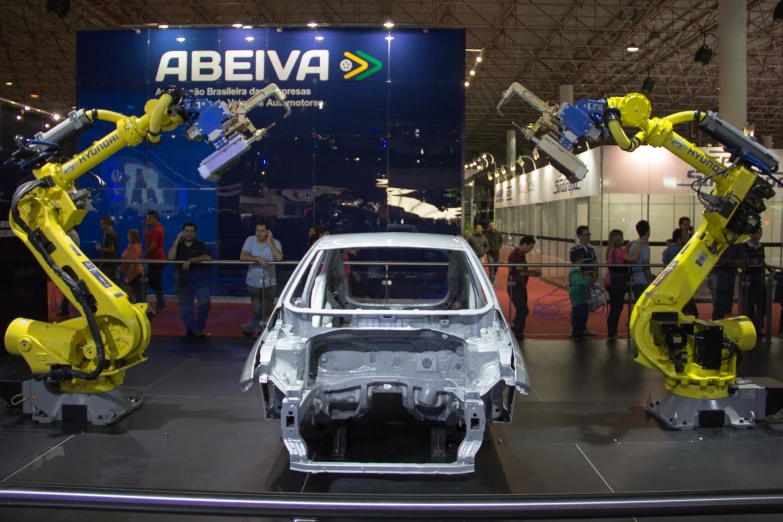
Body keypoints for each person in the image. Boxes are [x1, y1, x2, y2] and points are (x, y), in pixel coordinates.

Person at [168, 222, 212, 338]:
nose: (189, 233)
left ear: (195, 233)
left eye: (192, 231)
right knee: (185, 309)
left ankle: (198, 327)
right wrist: (177, 239)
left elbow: (208, 257)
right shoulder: (179, 245)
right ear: (183, 232)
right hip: (183, 281)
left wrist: (192, 260)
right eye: (187, 231)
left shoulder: (200, 244)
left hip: (199, 280)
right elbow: (171, 257)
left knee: (205, 303)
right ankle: (191, 330)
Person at [240, 221, 284, 337]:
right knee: (259, 310)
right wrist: (258, 259)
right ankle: (260, 332)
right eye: (257, 231)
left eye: (262, 231)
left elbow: (279, 258)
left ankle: (249, 327)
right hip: (253, 281)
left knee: (267, 309)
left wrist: (270, 242)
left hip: (270, 281)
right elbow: (243, 256)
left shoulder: (275, 243)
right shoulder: (250, 240)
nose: (259, 234)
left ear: (268, 232)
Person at [604, 229, 643, 340]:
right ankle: (612, 333)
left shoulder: (610, 251)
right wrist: (640, 245)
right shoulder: (618, 251)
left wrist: (627, 247)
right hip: (617, 282)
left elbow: (621, 257)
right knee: (617, 308)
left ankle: (612, 332)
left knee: (615, 307)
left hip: (610, 281)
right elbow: (633, 258)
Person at [507, 236, 540, 340]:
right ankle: (511, 329)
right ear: (524, 244)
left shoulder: (520, 254)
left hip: (520, 285)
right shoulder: (516, 255)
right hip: (515, 286)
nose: (530, 250)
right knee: (523, 310)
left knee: (522, 309)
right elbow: (521, 271)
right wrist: (534, 272)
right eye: (530, 247)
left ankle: (519, 333)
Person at [661, 229, 698, 317]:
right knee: (690, 310)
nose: (686, 239)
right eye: (684, 237)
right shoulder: (680, 250)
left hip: (670, 282)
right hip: (680, 283)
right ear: (679, 239)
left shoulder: (668, 250)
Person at [570, 225, 597, 335]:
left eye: (589, 234)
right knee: (578, 307)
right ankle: (576, 329)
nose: (588, 237)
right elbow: (575, 264)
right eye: (585, 235)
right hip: (581, 282)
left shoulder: (591, 249)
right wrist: (585, 277)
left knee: (585, 307)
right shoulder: (575, 249)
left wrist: (595, 277)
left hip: (590, 279)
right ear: (579, 236)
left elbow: (595, 263)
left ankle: (583, 327)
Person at [711, 243, 746, 320]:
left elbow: (742, 260)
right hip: (719, 276)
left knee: (726, 303)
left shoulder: (737, 245)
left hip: (729, 277)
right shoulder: (720, 243)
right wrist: (734, 262)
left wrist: (738, 263)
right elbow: (716, 259)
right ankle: (717, 323)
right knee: (719, 303)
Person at [742, 228, 767, 333]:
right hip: (749, 278)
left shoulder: (761, 247)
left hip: (760, 277)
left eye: (758, 233)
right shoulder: (744, 246)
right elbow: (743, 261)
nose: (756, 235)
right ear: (749, 234)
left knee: (762, 303)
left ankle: (758, 326)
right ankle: (751, 328)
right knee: (749, 305)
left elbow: (762, 260)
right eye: (753, 233)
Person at [142, 210, 166, 315]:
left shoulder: (156, 230)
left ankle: (160, 305)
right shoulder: (156, 229)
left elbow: (152, 246)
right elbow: (148, 237)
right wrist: (144, 227)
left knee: (155, 282)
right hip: (156, 260)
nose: (148, 220)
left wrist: (144, 256)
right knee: (153, 282)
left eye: (150, 218)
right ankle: (160, 304)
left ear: (155, 218)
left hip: (157, 260)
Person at [56, 227, 81, 317]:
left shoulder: (72, 235)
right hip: (69, 265)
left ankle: (80, 310)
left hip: (70, 265)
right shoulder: (71, 234)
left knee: (72, 287)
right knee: (68, 287)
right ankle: (65, 308)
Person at [628, 220, 652, 303]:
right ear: (648, 231)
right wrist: (650, 282)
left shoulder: (634, 244)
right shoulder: (644, 246)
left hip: (635, 279)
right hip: (643, 281)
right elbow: (646, 266)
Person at [569, 248, 590, 340]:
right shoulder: (574, 270)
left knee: (583, 313)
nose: (582, 261)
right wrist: (588, 278)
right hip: (578, 296)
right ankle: (577, 334)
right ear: (578, 259)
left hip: (581, 295)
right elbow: (581, 281)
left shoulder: (576, 269)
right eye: (581, 259)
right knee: (579, 315)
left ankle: (579, 332)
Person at [121, 229, 145, 304]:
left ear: (132, 237)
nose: (127, 237)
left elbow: (133, 262)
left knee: (129, 293)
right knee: (127, 291)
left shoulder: (135, 247)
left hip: (134, 274)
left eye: (129, 235)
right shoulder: (131, 245)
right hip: (129, 274)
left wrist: (129, 275)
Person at [96, 216, 120, 285]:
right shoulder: (114, 232)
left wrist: (100, 248)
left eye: (102, 224)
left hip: (107, 263)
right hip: (112, 262)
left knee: (106, 281)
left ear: (106, 224)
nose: (101, 226)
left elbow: (111, 249)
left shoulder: (109, 234)